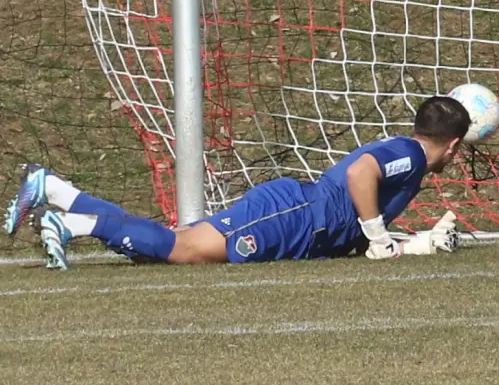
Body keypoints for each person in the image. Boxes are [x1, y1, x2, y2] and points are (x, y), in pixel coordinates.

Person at [6, 96, 469, 269]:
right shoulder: (410, 155)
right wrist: (378, 237)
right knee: (183, 250)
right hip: (296, 215)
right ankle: (73, 224)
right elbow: (359, 171)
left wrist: (405, 244)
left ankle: (55, 190)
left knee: (180, 241)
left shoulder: (409, 159)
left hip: (302, 220)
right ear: (452, 145)